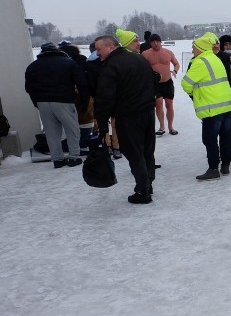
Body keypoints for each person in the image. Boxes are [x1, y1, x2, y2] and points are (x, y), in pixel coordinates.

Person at [93, 34, 157, 203]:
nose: (97, 53)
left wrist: (102, 124)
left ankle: (143, 191)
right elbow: (154, 81)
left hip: (128, 116)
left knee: (134, 153)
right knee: (147, 151)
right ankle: (148, 184)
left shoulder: (111, 66)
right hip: (148, 113)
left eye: (99, 49)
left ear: (111, 47)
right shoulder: (139, 59)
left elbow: (104, 98)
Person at [24, 42, 89, 168]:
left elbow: (29, 88)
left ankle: (57, 159)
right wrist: (85, 101)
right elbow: (82, 83)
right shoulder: (69, 63)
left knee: (51, 132)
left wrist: (36, 103)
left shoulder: (33, 66)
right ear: (57, 50)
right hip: (64, 101)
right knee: (72, 129)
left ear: (42, 52)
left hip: (42, 102)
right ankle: (74, 157)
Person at [181, 32, 231, 180]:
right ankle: (225, 166)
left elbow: (185, 83)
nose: (193, 50)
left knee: (210, 140)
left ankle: (213, 169)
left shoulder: (199, 62)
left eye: (194, 47)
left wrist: (196, 95)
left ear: (200, 48)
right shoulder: (216, 59)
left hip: (212, 108)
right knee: (225, 137)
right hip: (227, 105)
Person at [142, 33, 181, 136]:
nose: (155, 43)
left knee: (169, 105)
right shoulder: (145, 54)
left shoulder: (168, 52)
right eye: (153, 41)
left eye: (157, 41)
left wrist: (175, 71)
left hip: (167, 82)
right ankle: (161, 127)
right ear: (150, 43)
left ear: (161, 42)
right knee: (159, 104)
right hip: (155, 84)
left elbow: (176, 64)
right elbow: (141, 68)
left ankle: (171, 127)